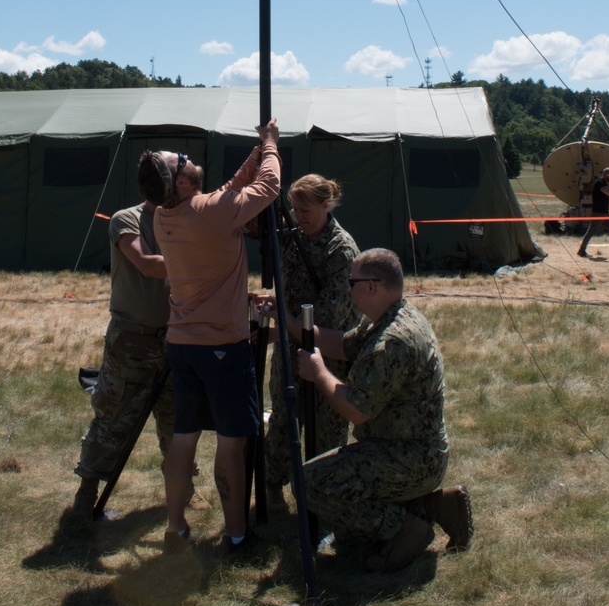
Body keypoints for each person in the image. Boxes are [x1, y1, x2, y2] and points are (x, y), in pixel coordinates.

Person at [140, 119, 281, 555]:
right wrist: (272, 145)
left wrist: (255, 152)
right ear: (182, 180)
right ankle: (237, 534)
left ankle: (175, 527)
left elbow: (229, 190)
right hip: (223, 344)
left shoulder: (165, 216)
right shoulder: (213, 212)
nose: (189, 159)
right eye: (182, 161)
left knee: (185, 436)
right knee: (231, 442)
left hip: (181, 345)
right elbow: (269, 187)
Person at [291, 247, 473, 575]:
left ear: (372, 286)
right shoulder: (391, 317)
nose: (349, 289)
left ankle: (406, 531)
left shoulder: (392, 341)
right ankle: (437, 505)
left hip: (410, 458)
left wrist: (318, 373)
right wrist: (286, 325)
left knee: (311, 484)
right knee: (335, 485)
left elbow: (356, 411)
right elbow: (342, 345)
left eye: (352, 282)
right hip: (409, 450)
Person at [61, 154, 181, 535]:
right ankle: (87, 492)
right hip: (132, 340)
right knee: (112, 417)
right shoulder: (126, 220)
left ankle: (181, 488)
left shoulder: (183, 219)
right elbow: (145, 263)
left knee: (176, 422)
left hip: (175, 340)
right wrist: (196, 257)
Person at [264, 174, 361, 508]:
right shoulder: (294, 237)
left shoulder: (341, 250)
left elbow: (330, 318)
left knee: (329, 429)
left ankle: (324, 501)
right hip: (290, 349)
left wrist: (284, 323)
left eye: (305, 210)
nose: (299, 217)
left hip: (329, 354)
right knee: (283, 419)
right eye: (294, 209)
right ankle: (272, 486)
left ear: (325, 205)